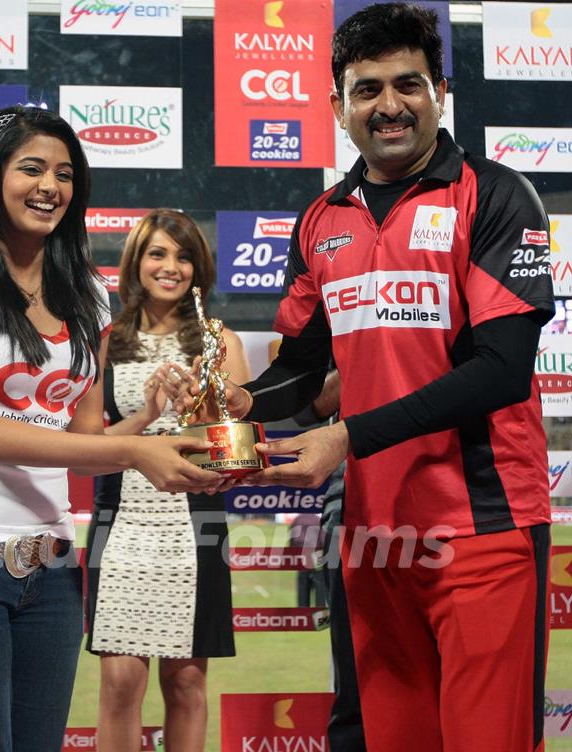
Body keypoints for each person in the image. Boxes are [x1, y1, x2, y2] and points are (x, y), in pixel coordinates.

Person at [175, 5, 553, 752]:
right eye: (367, 88)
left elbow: (502, 373)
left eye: (407, 84)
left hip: (484, 526)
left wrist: (346, 435)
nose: (389, 105)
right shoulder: (322, 219)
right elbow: (302, 368)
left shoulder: (498, 195)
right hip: (375, 537)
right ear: (336, 105)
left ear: (440, 90)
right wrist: (246, 401)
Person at [0, 108, 222, 752]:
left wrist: (148, 427)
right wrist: (137, 449)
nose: (50, 187)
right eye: (32, 168)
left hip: (51, 559)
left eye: (64, 174)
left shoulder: (88, 294)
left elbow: (88, 444)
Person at [86, 208, 251, 752]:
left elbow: (235, 451)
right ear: (136, 262)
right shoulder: (106, 339)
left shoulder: (217, 339)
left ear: (199, 267)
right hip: (122, 523)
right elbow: (89, 449)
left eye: (183, 256)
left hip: (192, 525)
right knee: (119, 683)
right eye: (157, 253)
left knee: (185, 682)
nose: (170, 266)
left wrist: (199, 416)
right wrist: (147, 413)